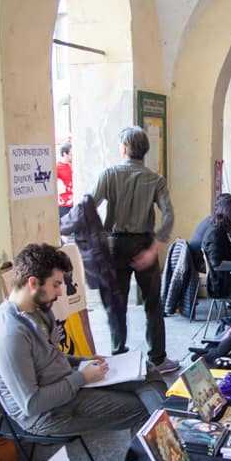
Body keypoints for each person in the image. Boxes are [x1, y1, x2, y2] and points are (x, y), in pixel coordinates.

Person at [0, 243, 166, 436]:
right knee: (142, 409)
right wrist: (82, 377)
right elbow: (32, 404)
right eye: (55, 285)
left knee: (148, 371)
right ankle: (170, 442)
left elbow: (50, 357)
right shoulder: (9, 335)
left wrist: (83, 361)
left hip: (65, 383)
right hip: (47, 414)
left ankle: (173, 435)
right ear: (33, 283)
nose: (60, 292)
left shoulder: (37, 310)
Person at [91, 126, 178, 373]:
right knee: (153, 303)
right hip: (144, 244)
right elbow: (168, 216)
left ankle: (118, 356)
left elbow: (88, 207)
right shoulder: (156, 180)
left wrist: (98, 239)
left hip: (114, 245)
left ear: (124, 149)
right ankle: (158, 359)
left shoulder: (109, 174)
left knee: (117, 304)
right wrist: (153, 250)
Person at [59, 194, 126, 355]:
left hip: (98, 263)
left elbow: (62, 227)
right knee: (114, 306)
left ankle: (118, 345)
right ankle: (118, 346)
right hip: (102, 262)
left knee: (113, 306)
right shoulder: (86, 207)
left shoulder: (82, 207)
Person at [56, 142, 73, 218]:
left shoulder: (73, 165)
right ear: (65, 154)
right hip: (64, 203)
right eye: (71, 154)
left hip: (74, 201)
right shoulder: (58, 167)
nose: (72, 156)